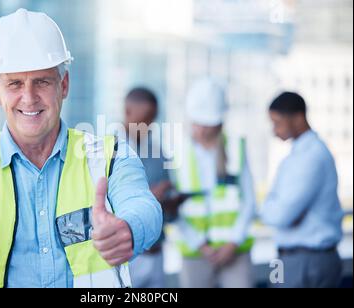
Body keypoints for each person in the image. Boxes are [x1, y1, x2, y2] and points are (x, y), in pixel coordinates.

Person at [0, 8, 162, 288]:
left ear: (63, 85)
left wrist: (128, 229)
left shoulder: (111, 156)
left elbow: (144, 206)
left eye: (42, 81)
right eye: (15, 83)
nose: (29, 98)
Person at [175, 78, 256, 288]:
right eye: (197, 123)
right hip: (195, 254)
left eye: (207, 125)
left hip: (235, 252)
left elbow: (249, 200)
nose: (201, 130)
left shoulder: (236, 148)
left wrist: (233, 242)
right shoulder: (177, 153)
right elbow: (172, 207)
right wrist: (200, 245)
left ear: (220, 123)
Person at [261, 92, 344, 288]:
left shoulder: (311, 157)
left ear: (298, 118)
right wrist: (273, 207)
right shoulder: (298, 155)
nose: (274, 130)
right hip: (287, 258)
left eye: (277, 122)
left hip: (305, 261)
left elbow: (281, 216)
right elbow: (276, 211)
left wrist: (272, 206)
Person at [123, 87, 185, 288]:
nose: (148, 125)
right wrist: (150, 197)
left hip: (157, 253)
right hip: (125, 258)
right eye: (144, 118)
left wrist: (172, 205)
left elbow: (169, 213)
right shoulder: (105, 151)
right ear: (127, 112)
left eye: (152, 119)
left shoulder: (159, 153)